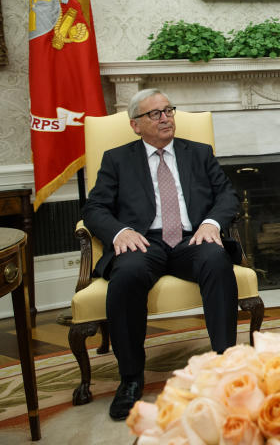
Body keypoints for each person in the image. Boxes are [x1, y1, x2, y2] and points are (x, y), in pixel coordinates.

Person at [83, 89, 240, 420]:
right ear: (135, 125)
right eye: (155, 113)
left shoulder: (199, 153)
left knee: (216, 258)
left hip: (190, 237)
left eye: (169, 110)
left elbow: (227, 194)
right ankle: (130, 379)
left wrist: (211, 223)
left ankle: (225, 366)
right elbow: (95, 207)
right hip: (144, 241)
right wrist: (119, 232)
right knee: (125, 275)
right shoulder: (117, 159)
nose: (166, 117)